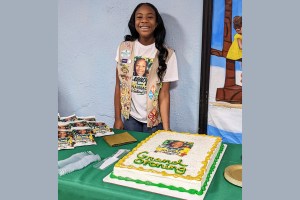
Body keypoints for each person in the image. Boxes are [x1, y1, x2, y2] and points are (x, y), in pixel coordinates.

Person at [113, 3, 178, 133]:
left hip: (154, 121)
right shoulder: (124, 48)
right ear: (134, 22)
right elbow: (119, 85)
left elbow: (164, 94)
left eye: (150, 17)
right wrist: (118, 118)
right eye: (139, 17)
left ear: (156, 23)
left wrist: (166, 128)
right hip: (130, 119)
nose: (144, 20)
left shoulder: (166, 54)